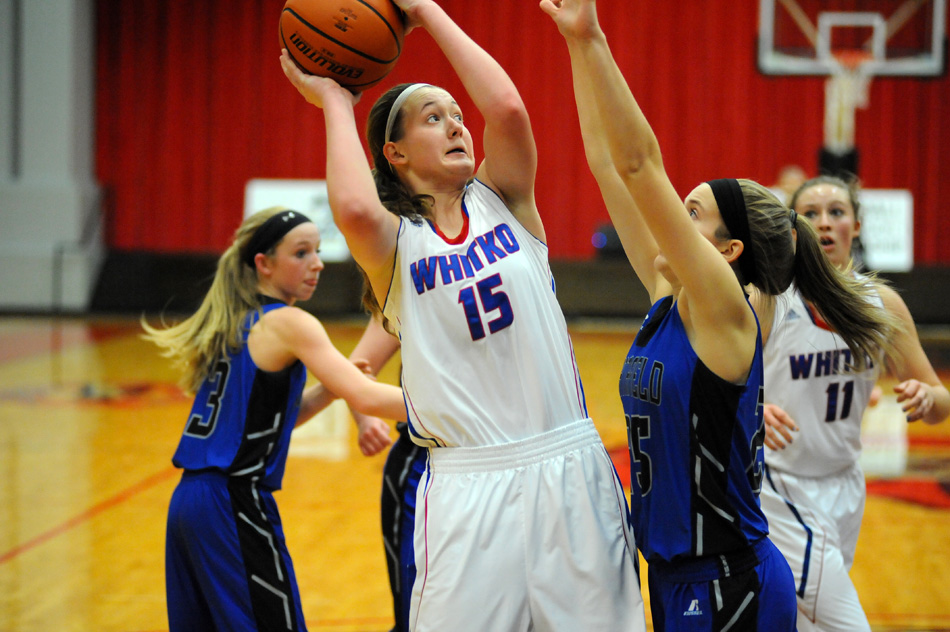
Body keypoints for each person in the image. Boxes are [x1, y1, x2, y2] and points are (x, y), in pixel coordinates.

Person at [279, 1, 646, 629]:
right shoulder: (395, 247)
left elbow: (505, 110)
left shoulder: (504, 198)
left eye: (456, 115)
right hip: (468, 483)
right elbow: (355, 210)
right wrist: (335, 100)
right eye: (433, 117)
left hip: (568, 466)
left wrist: (423, 10)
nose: (456, 125)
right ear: (393, 154)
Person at [541, 0, 900, 629]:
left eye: (692, 213)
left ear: (728, 251)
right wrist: (575, 45)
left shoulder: (724, 310)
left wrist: (597, 37)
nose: (673, 217)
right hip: (675, 576)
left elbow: (638, 162)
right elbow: (606, 160)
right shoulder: (667, 300)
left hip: (732, 581)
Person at [142, 207, 407, 632]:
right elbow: (365, 394)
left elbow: (268, 422)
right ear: (263, 264)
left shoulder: (235, 324)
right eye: (301, 253)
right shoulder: (291, 323)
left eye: (318, 251)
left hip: (190, 503)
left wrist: (327, 391)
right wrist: (454, 408)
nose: (316, 263)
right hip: (234, 502)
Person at [759, 175, 950, 632]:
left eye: (837, 213)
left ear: (857, 226)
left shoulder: (880, 303)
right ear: (793, 229)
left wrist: (930, 397)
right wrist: (751, 407)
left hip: (846, 484)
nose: (824, 223)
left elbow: (941, 402)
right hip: (779, 486)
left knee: (808, 624)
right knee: (847, 624)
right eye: (810, 214)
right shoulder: (770, 301)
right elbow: (712, 380)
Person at [343, 315, 423, 632]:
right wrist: (365, 420)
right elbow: (355, 371)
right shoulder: (404, 290)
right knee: (416, 611)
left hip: (497, 463)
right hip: (422, 461)